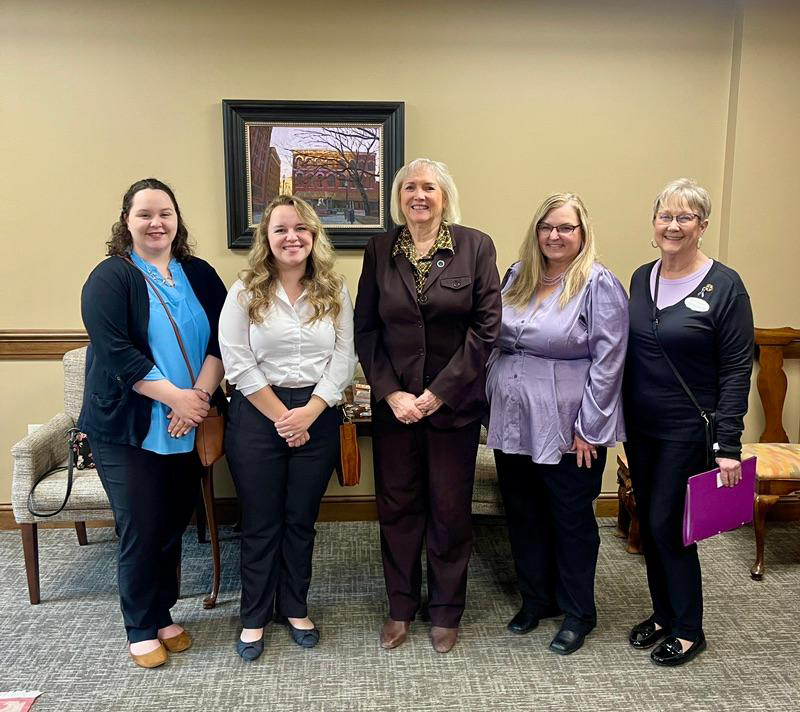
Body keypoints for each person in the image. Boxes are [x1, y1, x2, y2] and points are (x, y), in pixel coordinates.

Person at [354, 158, 501, 654]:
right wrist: (392, 392)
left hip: (452, 408)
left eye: (429, 187)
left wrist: (439, 392)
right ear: (398, 197)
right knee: (396, 508)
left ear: (444, 196)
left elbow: (486, 330)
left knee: (449, 510)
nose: (419, 195)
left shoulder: (475, 246)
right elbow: (367, 329)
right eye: (410, 187)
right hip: (395, 410)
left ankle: (445, 610)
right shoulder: (379, 250)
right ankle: (400, 606)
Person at [79, 178, 227, 668]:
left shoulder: (201, 274)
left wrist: (198, 400)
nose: (156, 223)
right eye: (144, 214)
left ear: (177, 219)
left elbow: (222, 343)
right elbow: (117, 352)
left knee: (170, 524)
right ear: (127, 221)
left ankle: (162, 613)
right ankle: (140, 626)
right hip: (131, 427)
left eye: (165, 213)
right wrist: (177, 401)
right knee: (140, 526)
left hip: (190, 419)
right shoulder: (111, 277)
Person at [486, 192, 628, 656]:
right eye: (547, 226)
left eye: (566, 227)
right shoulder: (516, 276)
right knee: (522, 511)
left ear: (582, 233)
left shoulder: (597, 283)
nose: (555, 235)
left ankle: (578, 612)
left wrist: (590, 426)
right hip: (512, 416)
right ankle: (536, 599)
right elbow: (492, 338)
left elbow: (610, 361)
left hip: (568, 422)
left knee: (569, 518)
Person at [219, 194, 356, 661]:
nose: (291, 237)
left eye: (300, 228)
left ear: (313, 235)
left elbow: (344, 357)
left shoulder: (334, 290)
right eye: (280, 229)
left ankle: (295, 606)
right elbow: (236, 362)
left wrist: (311, 412)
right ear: (267, 239)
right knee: (261, 522)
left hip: (317, 413)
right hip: (257, 415)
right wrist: (284, 417)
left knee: (301, 520)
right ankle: (254, 616)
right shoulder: (243, 291)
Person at [623, 178, 753, 666]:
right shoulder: (641, 277)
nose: (673, 226)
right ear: (653, 223)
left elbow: (738, 368)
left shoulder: (726, 286)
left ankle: (688, 628)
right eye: (665, 216)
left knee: (667, 524)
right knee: (649, 521)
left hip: (688, 428)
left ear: (702, 226)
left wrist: (729, 444)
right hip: (641, 426)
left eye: (685, 217)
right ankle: (663, 615)